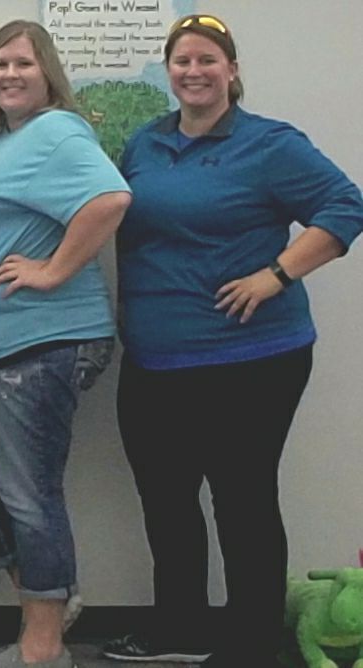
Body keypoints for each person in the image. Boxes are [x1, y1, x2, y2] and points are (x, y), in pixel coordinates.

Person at [101, 14, 363, 668]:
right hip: (156, 362)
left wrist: (277, 274)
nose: (193, 71)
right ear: (169, 72)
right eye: (182, 61)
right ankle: (180, 629)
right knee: (165, 502)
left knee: (242, 500)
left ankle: (251, 644)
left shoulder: (269, 144)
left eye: (207, 60)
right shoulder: (145, 145)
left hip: (250, 359)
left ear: (232, 70)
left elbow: (345, 204)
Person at [0, 20, 132, 668]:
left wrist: (52, 271)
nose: (10, 75)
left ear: (47, 72)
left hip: (35, 343)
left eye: (23, 63)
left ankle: (42, 649)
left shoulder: (55, 130)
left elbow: (108, 199)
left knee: (29, 494)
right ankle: (48, 596)